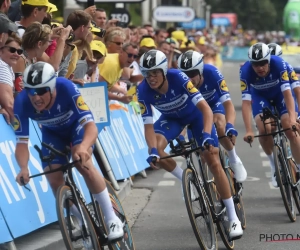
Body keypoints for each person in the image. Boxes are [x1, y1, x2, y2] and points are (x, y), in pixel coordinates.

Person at [137, 49, 243, 239]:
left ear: (163, 71)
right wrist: (153, 150)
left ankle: (233, 216)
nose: (150, 78)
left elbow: (206, 110)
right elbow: (148, 126)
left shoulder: (179, 77)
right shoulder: (142, 89)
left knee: (212, 159)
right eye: (146, 73)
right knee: (158, 152)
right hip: (171, 119)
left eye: (154, 73)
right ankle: (187, 181)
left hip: (197, 116)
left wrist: (207, 136)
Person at [14, 62, 124, 243]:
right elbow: (21, 143)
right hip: (52, 134)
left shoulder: (66, 87)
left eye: (41, 91)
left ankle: (112, 218)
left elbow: (90, 125)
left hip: (77, 128)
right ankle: (83, 221)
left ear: (52, 87)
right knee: (53, 177)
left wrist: (83, 147)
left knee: (82, 161)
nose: (36, 97)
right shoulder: (22, 102)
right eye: (31, 91)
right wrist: (23, 167)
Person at [177, 50, 247, 183]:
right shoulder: (180, 82)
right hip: (195, 111)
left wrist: (230, 126)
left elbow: (228, 105)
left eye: (192, 74)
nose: (189, 79)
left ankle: (234, 159)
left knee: (220, 125)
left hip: (214, 104)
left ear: (201, 71)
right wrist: (180, 137)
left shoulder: (213, 73)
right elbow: (180, 114)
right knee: (203, 153)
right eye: (185, 75)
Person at [241, 42, 300, 187]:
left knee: (290, 128)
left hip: (280, 95)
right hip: (261, 97)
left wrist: (293, 119)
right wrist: (249, 129)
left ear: (269, 60)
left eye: (263, 63)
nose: (259, 67)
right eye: (255, 64)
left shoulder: (279, 64)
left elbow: (290, 94)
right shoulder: (245, 71)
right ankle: (274, 164)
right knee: (264, 129)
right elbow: (246, 103)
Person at [267, 43, 300, 118]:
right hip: (269, 92)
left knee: (293, 90)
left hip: (283, 92)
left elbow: (297, 90)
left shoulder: (287, 66)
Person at [0, 34, 22, 124]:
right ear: (1, 50)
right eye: (12, 50)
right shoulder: (2, 66)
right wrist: (22, 123)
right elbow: (9, 105)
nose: (16, 54)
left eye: (19, 51)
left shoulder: (7, 66)